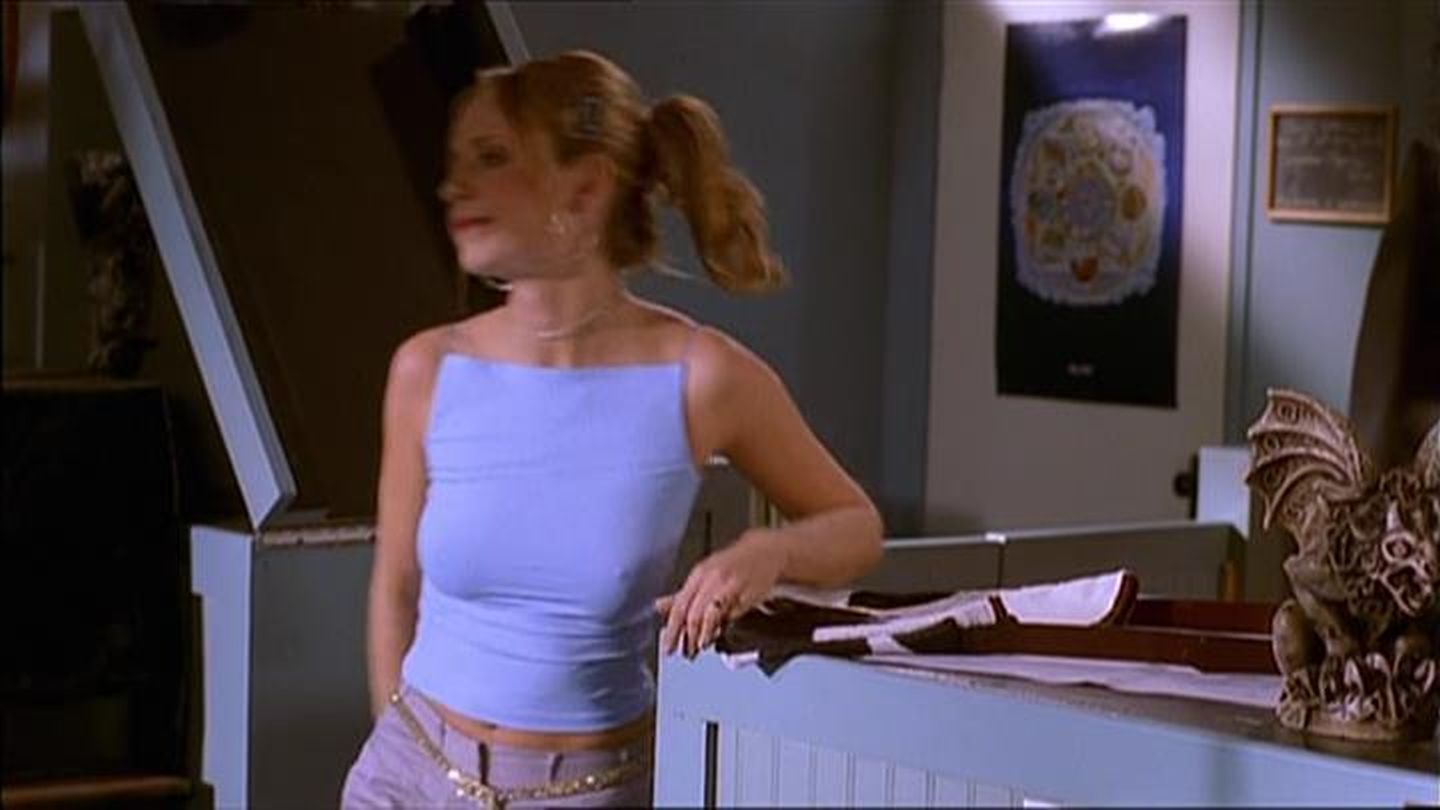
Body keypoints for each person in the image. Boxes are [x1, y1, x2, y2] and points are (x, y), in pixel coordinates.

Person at [341, 50, 883, 808]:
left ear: (586, 189)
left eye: (491, 158)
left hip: (594, 789)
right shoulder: (426, 369)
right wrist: (399, 750)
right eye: (456, 161)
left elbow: (856, 526)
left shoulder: (700, 376)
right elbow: (395, 587)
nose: (453, 186)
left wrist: (769, 552)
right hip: (409, 773)